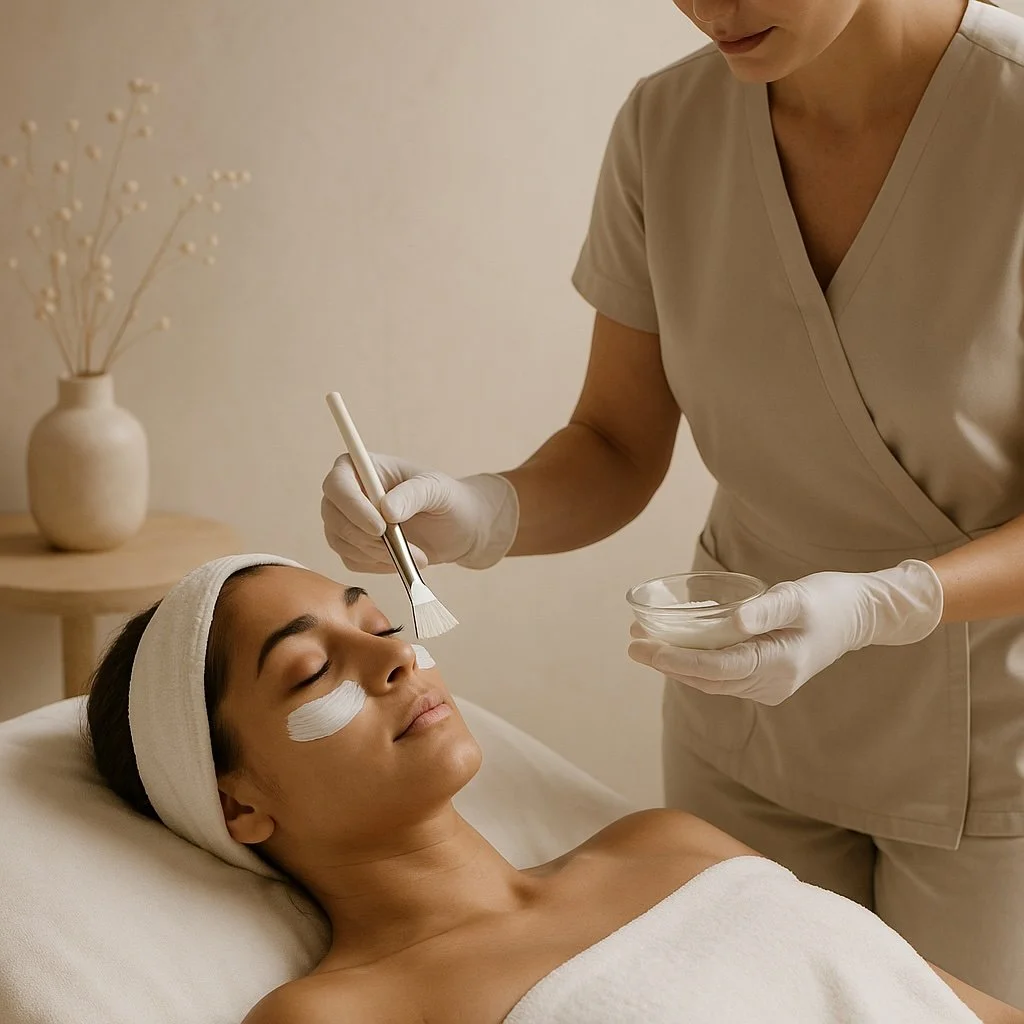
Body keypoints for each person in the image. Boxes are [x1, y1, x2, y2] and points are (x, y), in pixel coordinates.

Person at [320, 0, 1024, 1003]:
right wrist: (479, 512)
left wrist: (879, 602)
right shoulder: (666, 130)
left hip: (991, 757)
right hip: (742, 724)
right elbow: (612, 443)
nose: (712, 8)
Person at [86, 557, 1021, 1023]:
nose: (395, 654)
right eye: (306, 670)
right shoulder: (338, 1012)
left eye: (375, 621)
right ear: (241, 804)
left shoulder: (666, 843)